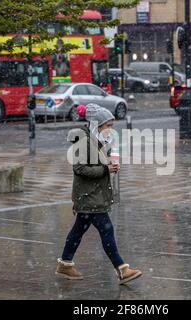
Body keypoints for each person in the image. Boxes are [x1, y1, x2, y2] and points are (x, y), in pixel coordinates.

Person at [56, 103, 142, 285]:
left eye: (111, 126)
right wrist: (105, 169)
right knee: (106, 229)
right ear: (97, 126)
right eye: (107, 126)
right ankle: (121, 269)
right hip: (89, 196)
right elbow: (79, 168)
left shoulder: (97, 141)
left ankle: (64, 263)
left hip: (93, 195)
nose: (110, 130)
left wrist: (110, 163)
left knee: (78, 230)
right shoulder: (84, 141)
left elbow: (96, 163)